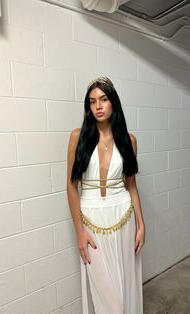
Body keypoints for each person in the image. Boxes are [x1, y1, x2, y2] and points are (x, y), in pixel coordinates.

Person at [67, 77, 145, 314]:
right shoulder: (77, 136)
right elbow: (71, 187)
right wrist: (80, 232)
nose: (98, 106)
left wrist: (142, 224)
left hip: (123, 217)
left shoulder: (129, 141)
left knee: (124, 286)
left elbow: (131, 185)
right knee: (108, 300)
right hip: (91, 220)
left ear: (114, 103)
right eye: (92, 102)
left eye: (103, 99)